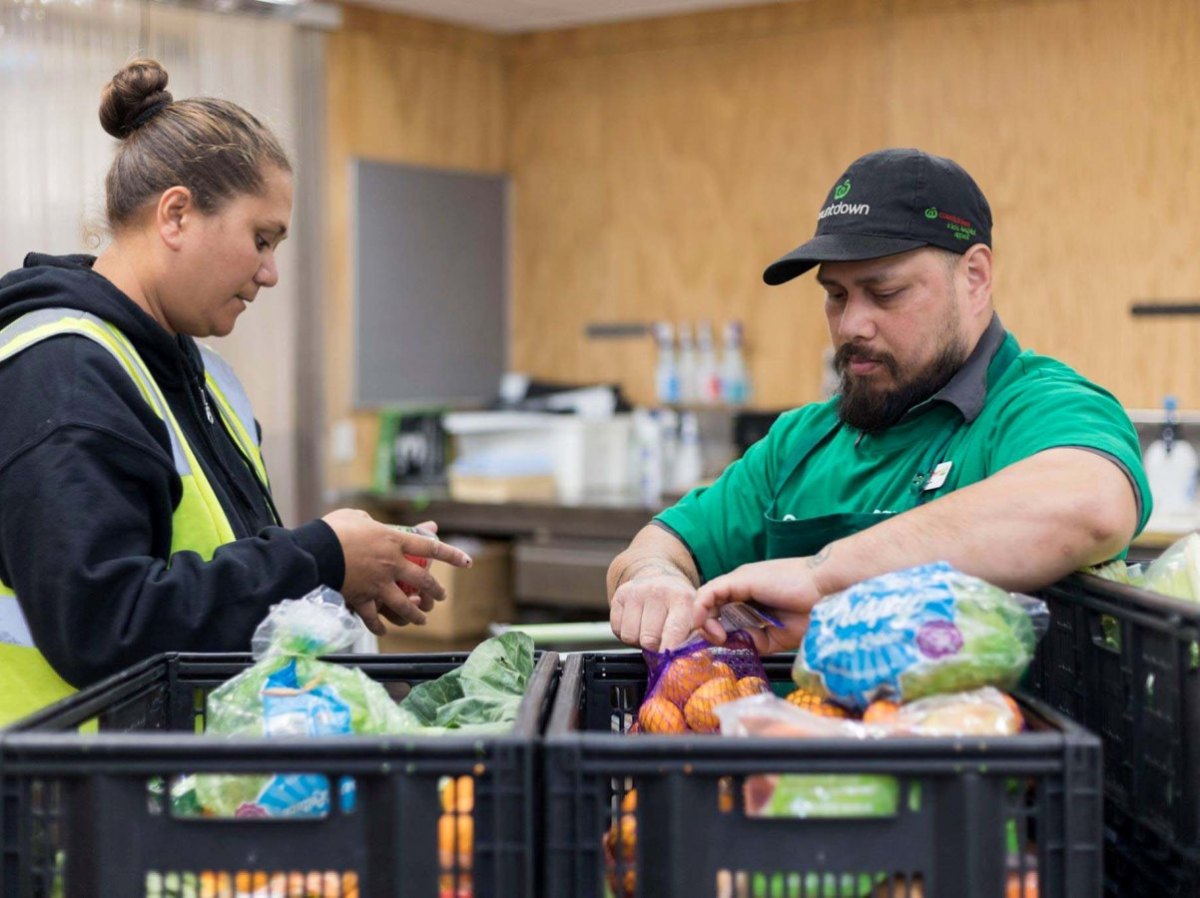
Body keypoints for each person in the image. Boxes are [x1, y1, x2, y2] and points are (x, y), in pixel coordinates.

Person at [0, 59, 471, 725]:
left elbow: (218, 579)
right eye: (261, 239)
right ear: (177, 214)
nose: (271, 273)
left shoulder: (201, 376)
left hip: (184, 791)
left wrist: (333, 584)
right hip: (67, 804)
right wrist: (319, 555)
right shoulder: (65, 375)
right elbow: (107, 625)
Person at [608, 148, 1150, 655]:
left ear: (975, 277)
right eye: (835, 295)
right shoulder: (801, 443)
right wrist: (654, 579)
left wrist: (823, 574)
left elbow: (1088, 505)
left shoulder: (1036, 407)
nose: (851, 325)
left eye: (885, 293)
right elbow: (660, 545)